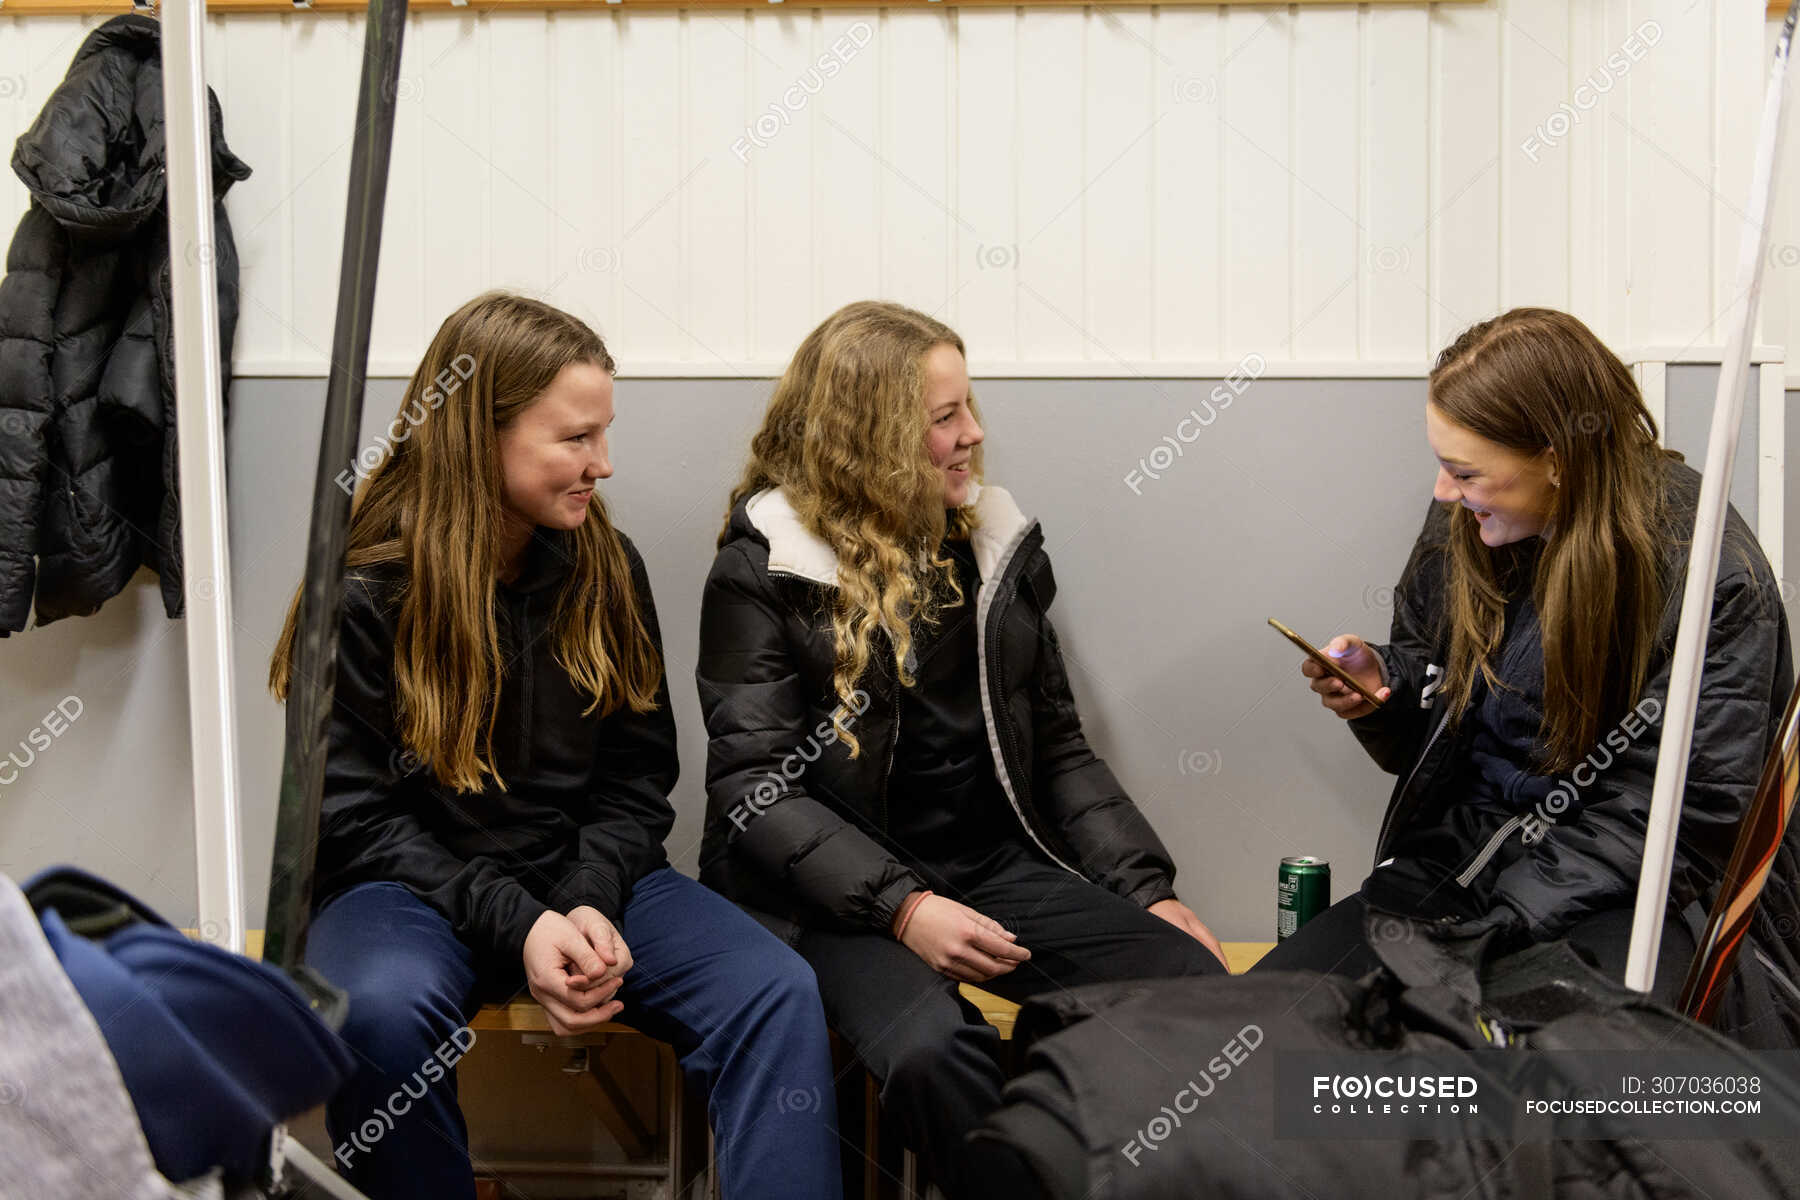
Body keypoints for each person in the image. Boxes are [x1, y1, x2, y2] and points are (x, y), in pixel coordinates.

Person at [268, 292, 841, 1200]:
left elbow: (638, 778)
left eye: (603, 434)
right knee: (377, 1016)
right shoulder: (364, 587)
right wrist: (521, 923)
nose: (602, 465)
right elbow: (351, 818)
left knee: (774, 992)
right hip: (406, 890)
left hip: (584, 878)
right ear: (478, 435)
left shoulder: (607, 567)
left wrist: (581, 900)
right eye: (576, 438)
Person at [693, 299, 1229, 1198]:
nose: (973, 434)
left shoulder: (989, 547)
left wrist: (1148, 890)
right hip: (821, 899)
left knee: (1189, 980)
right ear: (870, 441)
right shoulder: (763, 570)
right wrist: (903, 909)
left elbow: (1059, 749)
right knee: (935, 1052)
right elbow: (756, 789)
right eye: (944, 417)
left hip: (981, 866)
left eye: (968, 407)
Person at [1256, 306, 1797, 1014]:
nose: (1442, 491)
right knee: (1277, 1020)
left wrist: (1501, 924)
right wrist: (1386, 688)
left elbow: (1681, 820)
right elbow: (1439, 710)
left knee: (1532, 1062)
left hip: (1629, 895)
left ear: (1556, 460)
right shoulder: (1467, 519)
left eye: (1464, 472)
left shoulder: (1709, 578)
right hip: (1459, 858)